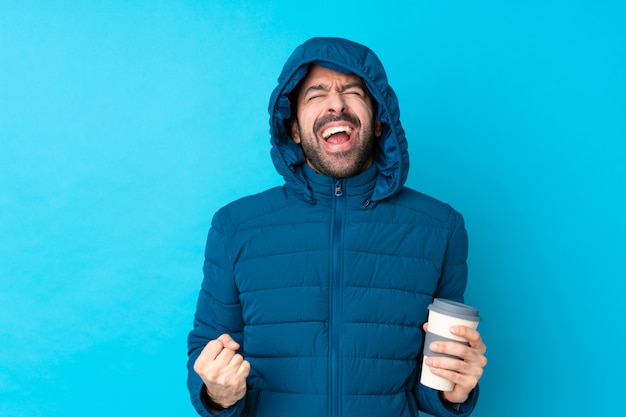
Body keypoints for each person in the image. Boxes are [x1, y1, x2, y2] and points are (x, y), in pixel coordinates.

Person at [187, 37, 487, 417]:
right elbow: (206, 348)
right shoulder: (235, 227)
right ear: (294, 128)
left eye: (352, 91)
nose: (335, 103)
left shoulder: (440, 228)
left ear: (380, 122)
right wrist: (217, 393)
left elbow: (432, 383)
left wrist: (452, 391)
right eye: (316, 94)